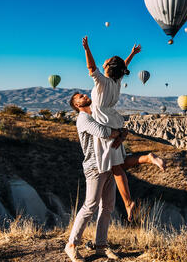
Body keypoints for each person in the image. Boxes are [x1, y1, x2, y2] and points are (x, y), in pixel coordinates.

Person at [82, 36, 166, 222]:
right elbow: (123, 66)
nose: (102, 63)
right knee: (119, 163)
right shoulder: (116, 82)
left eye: (105, 62)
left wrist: (87, 48)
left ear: (107, 68)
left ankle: (128, 203)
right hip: (114, 122)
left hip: (104, 124)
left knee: (116, 167)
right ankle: (147, 158)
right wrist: (132, 55)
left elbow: (91, 67)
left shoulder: (102, 82)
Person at [65, 92, 122, 261]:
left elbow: (116, 126)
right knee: (90, 205)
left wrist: (118, 131)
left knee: (107, 207)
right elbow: (103, 132)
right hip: (94, 167)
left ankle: (101, 246)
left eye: (83, 94)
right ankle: (72, 245)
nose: (84, 95)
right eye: (79, 97)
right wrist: (118, 132)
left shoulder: (97, 115)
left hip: (109, 164)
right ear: (77, 105)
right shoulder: (83, 118)